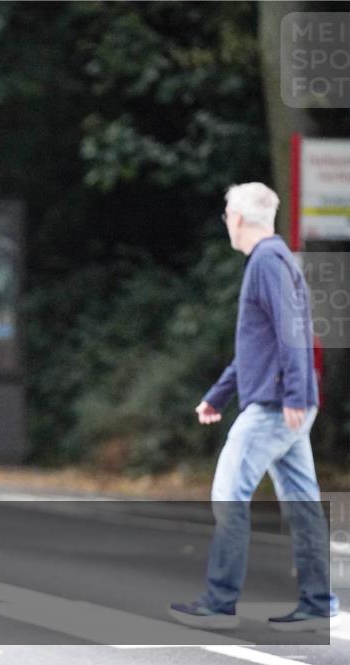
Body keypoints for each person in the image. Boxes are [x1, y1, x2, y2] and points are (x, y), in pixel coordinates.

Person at [168, 183, 339, 632]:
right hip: (282, 401)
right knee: (302, 504)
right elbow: (256, 349)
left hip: (272, 407)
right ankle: (318, 601)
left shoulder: (266, 262)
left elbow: (293, 332)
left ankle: (219, 601)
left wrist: (296, 395)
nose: (226, 220)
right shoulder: (274, 260)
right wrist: (219, 394)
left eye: (227, 213)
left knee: (228, 494)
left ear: (239, 218)